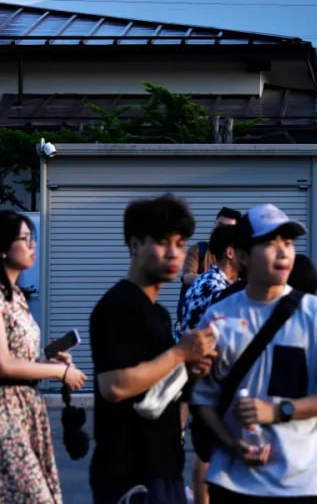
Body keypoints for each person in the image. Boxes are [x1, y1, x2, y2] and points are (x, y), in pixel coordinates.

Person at [191, 204, 317, 503]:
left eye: (288, 243)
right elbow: (203, 401)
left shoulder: (316, 314)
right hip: (233, 482)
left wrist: (281, 410)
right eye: (270, 243)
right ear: (241, 256)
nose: (283, 252)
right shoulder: (218, 317)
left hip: (303, 484)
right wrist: (231, 445)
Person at [90, 194, 218, 504]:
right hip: (128, 474)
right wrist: (179, 354)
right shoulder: (118, 306)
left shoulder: (159, 314)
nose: (174, 253)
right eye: (162, 242)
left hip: (164, 467)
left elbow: (161, 384)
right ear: (134, 245)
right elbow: (115, 385)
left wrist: (195, 367)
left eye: (180, 242)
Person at [0, 210, 87, 503]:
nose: (32, 246)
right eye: (25, 239)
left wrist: (47, 363)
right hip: (5, 413)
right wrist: (60, 374)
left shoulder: (17, 296)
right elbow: (4, 364)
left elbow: (19, 360)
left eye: (32, 238)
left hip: (25, 409)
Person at [179, 222, 242, 504]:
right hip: (201, 374)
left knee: (207, 448)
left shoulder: (208, 280)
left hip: (193, 373)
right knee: (210, 449)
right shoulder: (217, 288)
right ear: (231, 252)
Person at [181, 208, 242, 298]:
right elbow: (187, 277)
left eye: (227, 228)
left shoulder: (240, 257)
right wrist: (217, 280)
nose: (221, 230)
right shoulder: (198, 249)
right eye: (219, 225)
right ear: (214, 224)